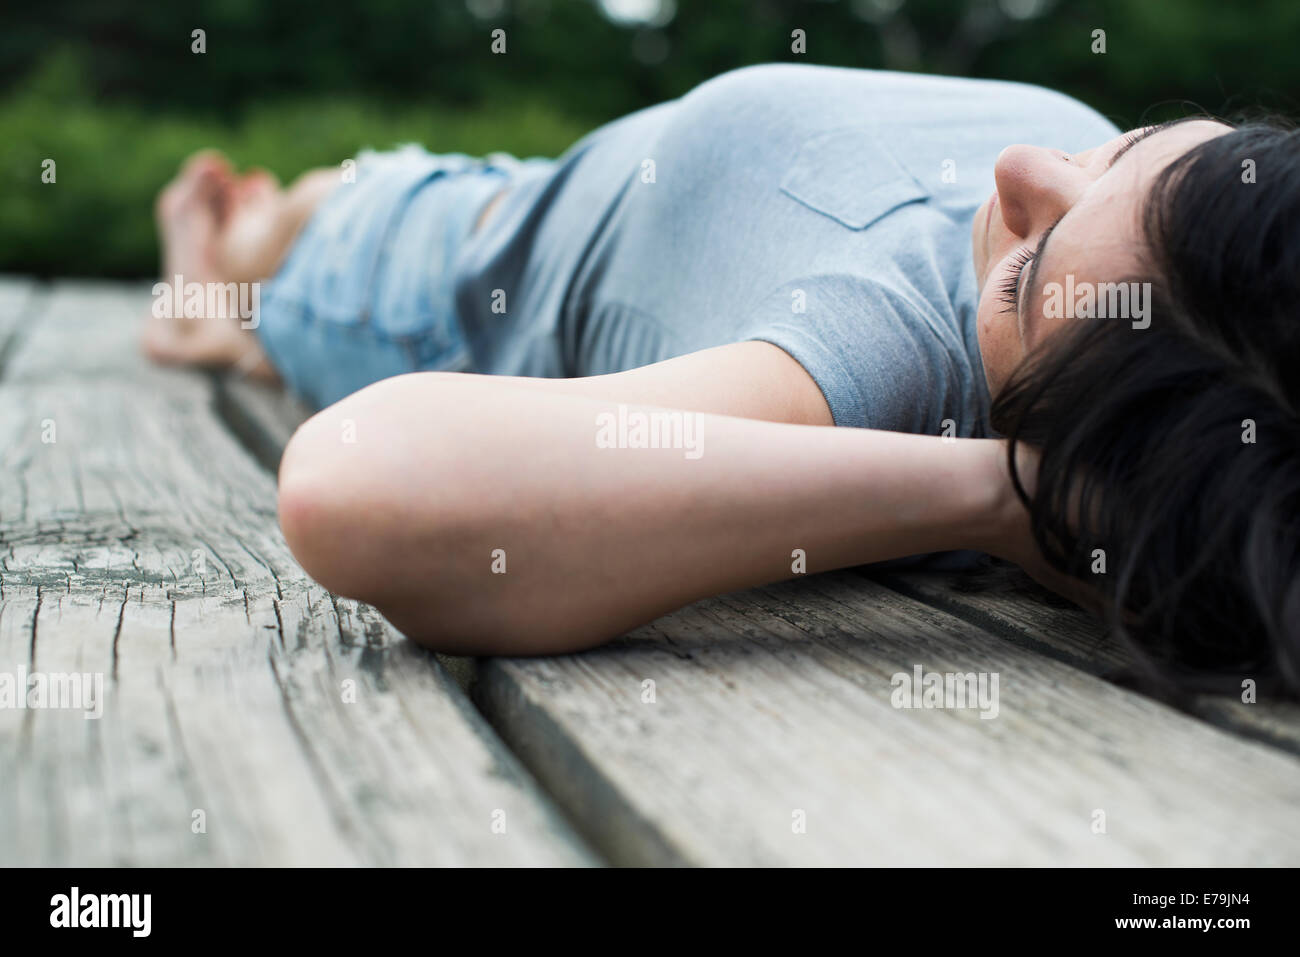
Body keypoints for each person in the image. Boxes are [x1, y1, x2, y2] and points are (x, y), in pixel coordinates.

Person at [143, 65, 1299, 696]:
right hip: (549, 182)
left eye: (1028, 268)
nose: (1025, 166)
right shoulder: (1212, 261)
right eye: (1134, 146)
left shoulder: (873, 349)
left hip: (433, 265)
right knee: (311, 206)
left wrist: (1007, 494)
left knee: (297, 227)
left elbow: (364, 483)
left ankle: (215, 297)